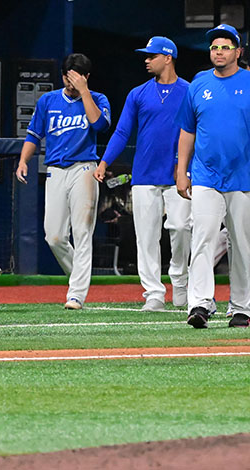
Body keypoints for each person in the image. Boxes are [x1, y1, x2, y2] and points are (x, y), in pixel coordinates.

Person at [175, 24, 250, 329]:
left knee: (242, 242)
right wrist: (181, 170)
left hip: (245, 175)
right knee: (203, 236)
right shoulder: (198, 84)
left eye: (225, 47)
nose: (218, 52)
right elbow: (187, 130)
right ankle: (199, 303)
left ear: (238, 52)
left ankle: (241, 307)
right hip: (206, 174)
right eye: (214, 47)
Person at [96, 37, 193, 311]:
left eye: (152, 55)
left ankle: (181, 282)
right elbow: (122, 131)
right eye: (146, 55)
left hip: (179, 176)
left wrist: (185, 165)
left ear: (168, 57)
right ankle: (153, 293)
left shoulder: (189, 91)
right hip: (144, 175)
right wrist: (104, 162)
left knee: (181, 228)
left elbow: (198, 131)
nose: (146, 60)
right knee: (146, 236)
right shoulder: (137, 93)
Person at [16, 54, 110, 310]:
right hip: (55, 170)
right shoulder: (48, 100)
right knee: (54, 236)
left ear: (86, 76)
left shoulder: (98, 99)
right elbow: (34, 134)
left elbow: (100, 125)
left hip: (84, 169)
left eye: (76, 76)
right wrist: (24, 160)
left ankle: (76, 293)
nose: (70, 82)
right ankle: (78, 278)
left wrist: (84, 91)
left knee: (82, 232)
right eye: (67, 76)